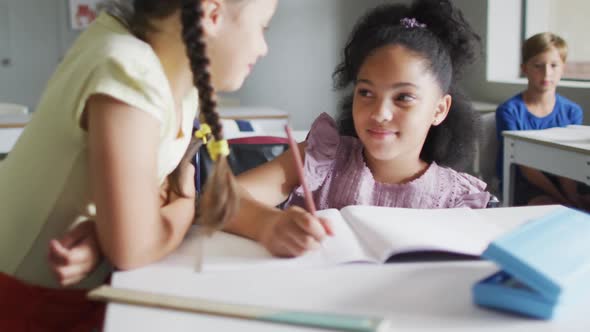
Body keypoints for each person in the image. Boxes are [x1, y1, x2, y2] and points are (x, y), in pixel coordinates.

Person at [51, 0, 490, 280]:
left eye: (405, 98)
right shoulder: (325, 155)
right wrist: (270, 225)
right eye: (365, 92)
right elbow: (214, 203)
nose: (379, 112)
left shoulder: (460, 199)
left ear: (440, 110)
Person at [0, 0, 277, 289]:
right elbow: (136, 248)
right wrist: (184, 204)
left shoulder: (177, 79)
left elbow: (153, 198)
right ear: (212, 15)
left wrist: (107, 233)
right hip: (16, 296)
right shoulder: (130, 69)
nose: (263, 48)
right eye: (262, 26)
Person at [495, 32, 587, 208]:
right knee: (548, 209)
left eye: (554, 65)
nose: (547, 73)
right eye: (538, 65)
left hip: (565, 180)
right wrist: (562, 200)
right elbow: (525, 168)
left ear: (563, 68)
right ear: (524, 68)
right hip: (523, 183)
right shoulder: (509, 111)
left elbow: (569, 161)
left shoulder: (572, 111)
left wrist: (572, 197)